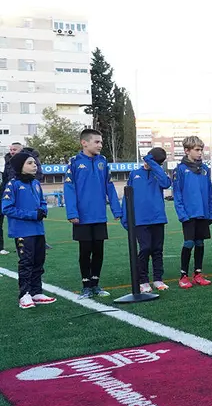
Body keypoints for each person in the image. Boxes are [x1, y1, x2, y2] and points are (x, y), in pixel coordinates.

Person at [65, 128, 123, 298]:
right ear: (84, 143)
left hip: (99, 215)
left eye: (101, 142)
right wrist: (72, 213)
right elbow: (69, 189)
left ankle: (96, 284)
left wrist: (116, 209)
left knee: (99, 250)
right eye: (97, 142)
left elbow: (109, 186)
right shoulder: (74, 162)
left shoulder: (103, 161)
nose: (100, 145)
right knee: (85, 251)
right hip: (81, 217)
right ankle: (86, 286)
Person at [2, 152, 54, 309]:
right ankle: (24, 295)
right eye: (30, 163)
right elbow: (6, 208)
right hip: (22, 232)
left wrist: (43, 210)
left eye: (35, 163)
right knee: (26, 262)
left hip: (38, 230)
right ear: (20, 166)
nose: (34, 165)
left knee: (39, 260)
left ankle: (36, 292)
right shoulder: (13, 185)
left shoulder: (36, 183)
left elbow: (42, 202)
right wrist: (32, 215)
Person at [120, 147, 172, 293]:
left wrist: (154, 165)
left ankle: (158, 279)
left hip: (158, 218)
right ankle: (143, 280)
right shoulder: (135, 174)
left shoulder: (160, 174)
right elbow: (127, 196)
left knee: (157, 250)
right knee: (144, 248)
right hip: (140, 220)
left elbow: (166, 183)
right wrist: (126, 217)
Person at [172, 135, 212, 288]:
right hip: (189, 214)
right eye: (197, 150)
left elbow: (210, 192)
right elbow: (177, 193)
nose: (200, 153)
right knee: (189, 242)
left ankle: (198, 273)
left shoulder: (204, 169)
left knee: (200, 243)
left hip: (203, 213)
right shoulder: (180, 170)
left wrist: (211, 211)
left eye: (201, 150)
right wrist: (182, 213)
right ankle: (183, 276)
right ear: (186, 151)